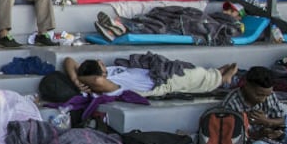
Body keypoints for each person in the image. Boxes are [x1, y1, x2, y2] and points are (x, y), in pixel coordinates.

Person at [221, 66, 287, 144]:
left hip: (274, 129)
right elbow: (235, 139)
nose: (263, 99)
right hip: (255, 139)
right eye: (259, 95)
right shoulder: (231, 104)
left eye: (266, 95)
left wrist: (267, 122)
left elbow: (281, 120)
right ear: (246, 85)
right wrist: (260, 134)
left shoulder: (268, 94)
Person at [65, 57, 237, 98]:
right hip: (162, 82)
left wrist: (75, 78)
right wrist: (80, 82)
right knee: (196, 76)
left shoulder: (104, 71)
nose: (102, 62)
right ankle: (221, 78)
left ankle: (215, 73)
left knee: (189, 68)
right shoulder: (110, 85)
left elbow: (68, 60)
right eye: (101, 66)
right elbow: (97, 81)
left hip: (158, 70)